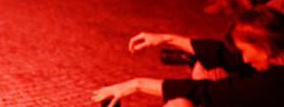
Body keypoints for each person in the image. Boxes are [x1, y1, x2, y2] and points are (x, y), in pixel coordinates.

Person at [93, 6, 284, 106]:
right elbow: (224, 53)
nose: (243, 58)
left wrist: (136, 85)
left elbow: (205, 91)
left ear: (265, 48)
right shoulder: (275, 54)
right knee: (206, 68)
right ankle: (192, 61)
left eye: (244, 51)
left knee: (180, 104)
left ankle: (192, 63)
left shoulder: (273, 85)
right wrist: (166, 38)